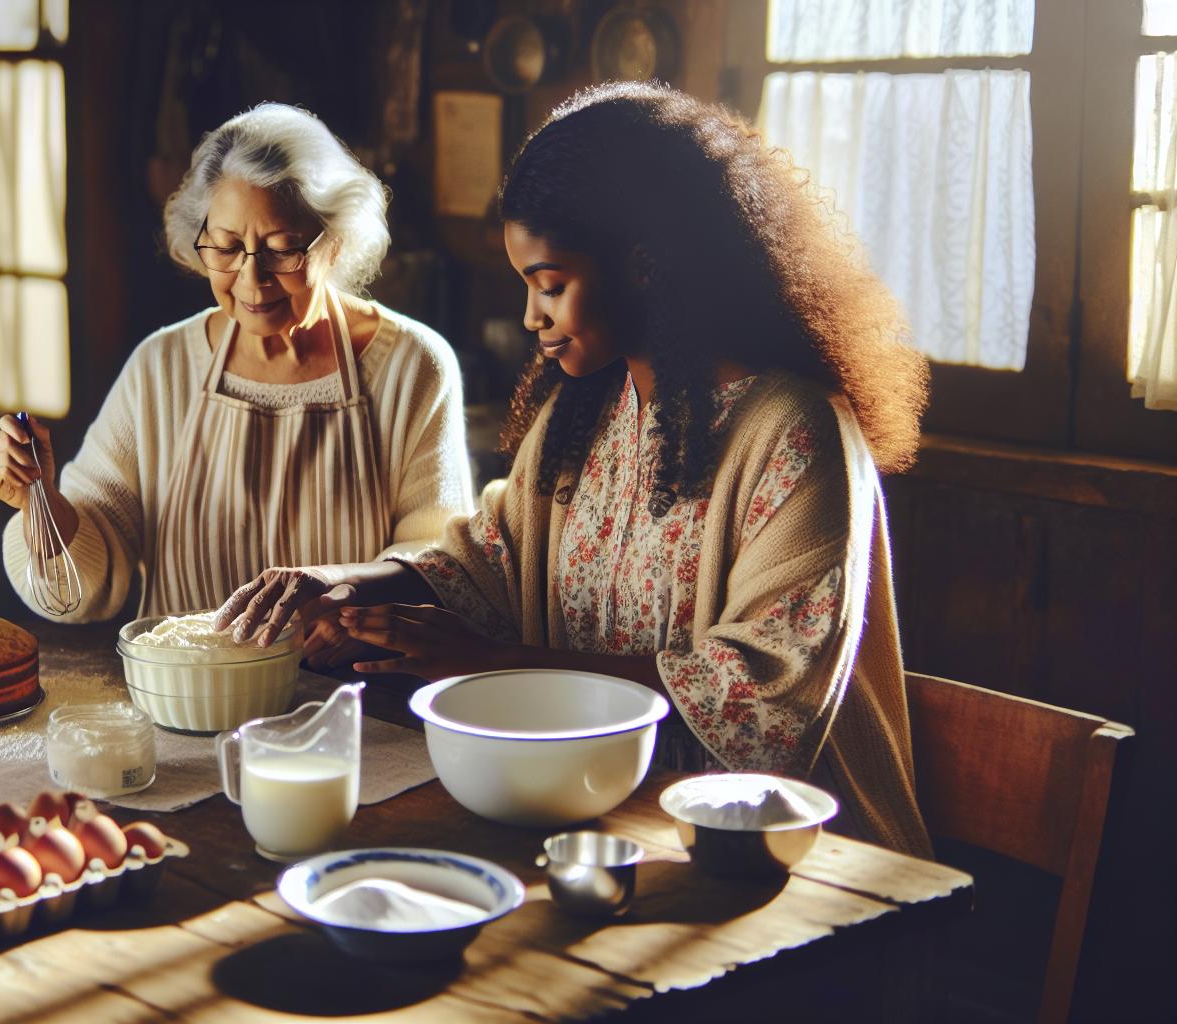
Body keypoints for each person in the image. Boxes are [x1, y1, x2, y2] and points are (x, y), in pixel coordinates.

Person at [216, 82, 933, 855]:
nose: (533, 316)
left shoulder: (792, 432)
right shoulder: (584, 412)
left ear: (644, 266)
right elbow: (492, 561)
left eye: (550, 286)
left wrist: (496, 665)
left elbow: (761, 699)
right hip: (596, 810)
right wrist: (348, 585)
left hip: (782, 853)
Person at [0, 103, 473, 622]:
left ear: (335, 243)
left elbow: (436, 563)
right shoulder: (162, 369)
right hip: (185, 675)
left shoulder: (410, 366)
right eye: (227, 247)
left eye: (282, 249)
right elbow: (89, 578)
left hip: (349, 672)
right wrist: (38, 500)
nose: (251, 279)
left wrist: (345, 604)